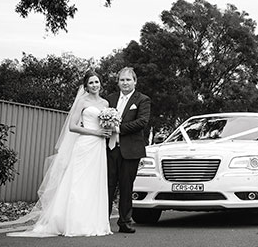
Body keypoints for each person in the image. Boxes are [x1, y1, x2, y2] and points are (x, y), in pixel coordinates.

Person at [9, 72, 113, 237]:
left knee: (95, 182)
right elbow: (72, 126)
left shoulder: (105, 103)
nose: (95, 85)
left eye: (97, 82)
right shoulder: (82, 101)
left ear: (101, 83)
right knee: (78, 182)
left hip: (99, 148)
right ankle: (73, 222)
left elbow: (105, 124)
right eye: (91, 82)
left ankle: (93, 222)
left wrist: (109, 128)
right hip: (85, 144)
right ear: (86, 86)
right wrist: (96, 132)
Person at [106, 67, 151, 234]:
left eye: (128, 80)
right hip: (109, 149)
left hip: (131, 150)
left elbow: (142, 122)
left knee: (126, 186)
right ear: (118, 82)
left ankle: (124, 221)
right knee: (107, 186)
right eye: (122, 80)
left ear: (135, 81)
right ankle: (103, 221)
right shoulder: (109, 99)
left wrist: (117, 128)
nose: (125, 83)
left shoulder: (143, 100)